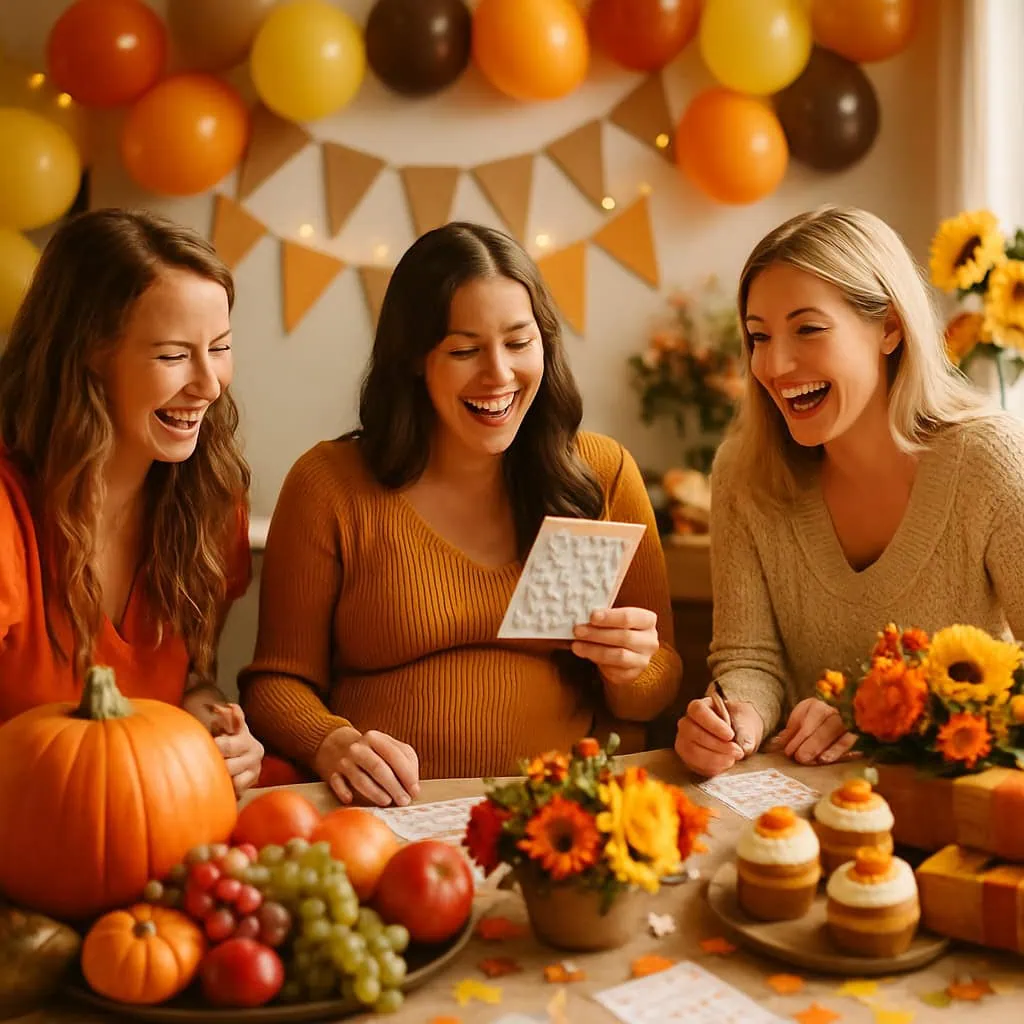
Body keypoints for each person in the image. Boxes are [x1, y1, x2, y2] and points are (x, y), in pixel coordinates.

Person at [239, 221, 682, 805]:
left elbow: (659, 686)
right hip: (386, 815)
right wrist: (331, 742)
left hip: (567, 815)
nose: (498, 374)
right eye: (465, 350)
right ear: (415, 360)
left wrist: (634, 668)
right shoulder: (330, 486)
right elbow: (276, 680)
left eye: (519, 343)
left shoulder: (601, 475)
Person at [675, 204, 1024, 777]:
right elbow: (749, 659)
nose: (775, 364)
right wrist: (737, 719)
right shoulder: (742, 473)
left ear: (889, 326)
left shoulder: (991, 462)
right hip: (808, 809)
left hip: (955, 806)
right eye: (758, 336)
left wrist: (876, 716)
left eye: (807, 329)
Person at [0, 208, 264, 795]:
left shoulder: (212, 497)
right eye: (172, 355)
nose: (209, 383)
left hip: (155, 812)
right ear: (89, 353)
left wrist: (210, 724)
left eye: (219, 347)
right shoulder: (7, 512)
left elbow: (193, 677)